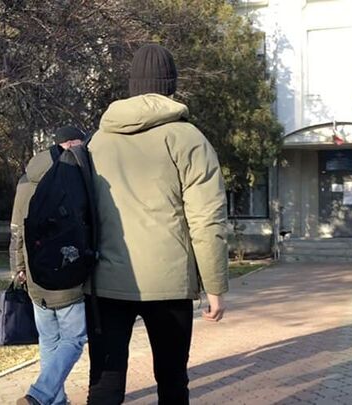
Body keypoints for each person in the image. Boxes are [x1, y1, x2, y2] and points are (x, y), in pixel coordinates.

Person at [85, 44, 230, 404]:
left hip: (106, 280)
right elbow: (206, 219)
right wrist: (215, 286)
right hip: (169, 283)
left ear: (132, 84)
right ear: (171, 85)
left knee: (105, 383)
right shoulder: (189, 139)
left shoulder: (98, 141)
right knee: (171, 380)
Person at [9, 126, 91, 405]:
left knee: (49, 341)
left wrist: (18, 267)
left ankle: (56, 401)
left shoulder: (26, 180)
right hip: (67, 272)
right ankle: (40, 394)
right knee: (74, 339)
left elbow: (17, 230)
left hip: (35, 276)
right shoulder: (74, 176)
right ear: (71, 144)